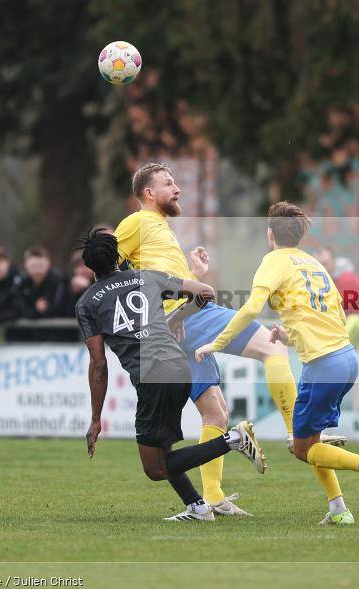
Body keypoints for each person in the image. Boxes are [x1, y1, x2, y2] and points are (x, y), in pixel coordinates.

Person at [112, 163, 345, 517]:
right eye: (168, 183)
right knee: (273, 345)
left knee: (215, 413)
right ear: (148, 192)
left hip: (177, 325)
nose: (177, 188)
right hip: (189, 316)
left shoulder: (159, 226)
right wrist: (156, 312)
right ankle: (295, 432)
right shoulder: (136, 222)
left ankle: (213, 499)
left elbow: (154, 279)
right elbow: (111, 274)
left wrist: (192, 276)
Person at [195, 202, 359, 526]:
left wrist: (215, 343)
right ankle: (338, 509)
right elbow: (335, 317)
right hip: (346, 358)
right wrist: (288, 337)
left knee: (302, 447)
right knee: (310, 440)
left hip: (323, 365)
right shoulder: (315, 264)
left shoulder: (273, 261)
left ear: (270, 233)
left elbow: (249, 310)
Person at [76, 228, 266, 522]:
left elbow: (99, 364)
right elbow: (205, 293)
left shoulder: (88, 303)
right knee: (162, 447)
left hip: (152, 376)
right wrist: (175, 318)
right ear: (118, 256)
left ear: (89, 266)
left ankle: (234, 439)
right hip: (179, 366)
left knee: (155, 468)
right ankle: (198, 507)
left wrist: (96, 418)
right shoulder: (146, 276)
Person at [18, 245, 75, 342]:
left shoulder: (59, 279)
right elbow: (19, 309)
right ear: (26, 265)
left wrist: (34, 311)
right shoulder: (21, 282)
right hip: (31, 337)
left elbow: (59, 309)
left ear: (48, 264)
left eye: (40, 266)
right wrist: (35, 310)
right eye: (33, 266)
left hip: (59, 337)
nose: (37, 270)